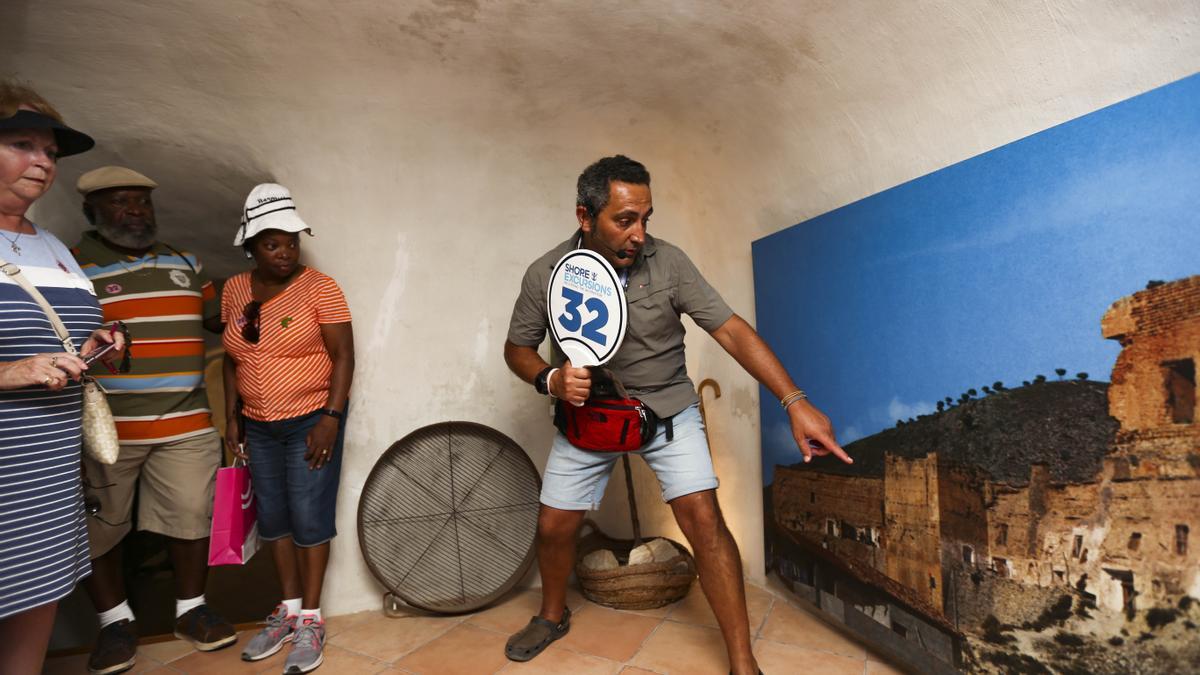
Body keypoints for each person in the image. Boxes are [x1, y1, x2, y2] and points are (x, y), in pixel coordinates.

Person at [503, 155, 853, 673]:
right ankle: (552, 615)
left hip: (668, 411)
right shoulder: (546, 273)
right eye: (625, 220)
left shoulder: (669, 263)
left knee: (705, 522)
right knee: (555, 526)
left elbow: (731, 330)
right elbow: (517, 349)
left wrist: (795, 402)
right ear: (585, 216)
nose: (640, 233)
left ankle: (741, 660)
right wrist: (549, 379)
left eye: (646, 218)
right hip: (589, 418)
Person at [70, 165, 236, 673]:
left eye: (143, 202)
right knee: (99, 529)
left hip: (187, 426)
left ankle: (191, 610)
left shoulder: (187, 262)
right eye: (121, 202)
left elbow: (220, 321)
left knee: (192, 516)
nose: (136, 212)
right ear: (92, 212)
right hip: (109, 430)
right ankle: (115, 623)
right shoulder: (74, 267)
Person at [0, 80, 125, 675]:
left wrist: (91, 346)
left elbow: (53, 339)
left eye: (49, 151)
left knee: (33, 617)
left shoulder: (53, 247)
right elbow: (20, 358)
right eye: (22, 144)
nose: (43, 162)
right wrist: (11, 372)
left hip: (47, 470)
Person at [221, 183, 354, 674]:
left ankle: (313, 620)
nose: (285, 252)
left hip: (309, 422)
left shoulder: (321, 287)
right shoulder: (234, 289)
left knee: (309, 515)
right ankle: (289, 610)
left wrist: (330, 419)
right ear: (250, 246)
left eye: (292, 241)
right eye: (272, 243)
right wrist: (232, 415)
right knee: (274, 518)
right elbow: (232, 360)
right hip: (257, 425)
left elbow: (343, 356)